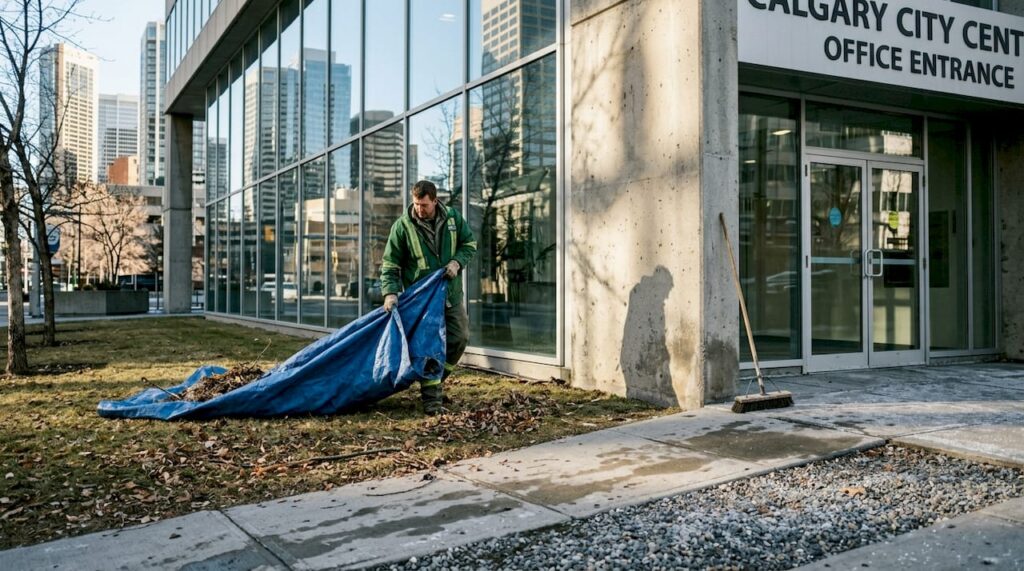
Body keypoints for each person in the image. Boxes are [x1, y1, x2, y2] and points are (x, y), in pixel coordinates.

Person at [380, 180, 477, 415]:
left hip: (450, 295)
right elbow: (390, 265)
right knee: (429, 347)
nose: (419, 210)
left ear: (435, 200)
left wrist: (456, 262)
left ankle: (435, 380)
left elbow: (469, 244)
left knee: (459, 338)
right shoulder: (403, 227)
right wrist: (390, 293)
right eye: (416, 204)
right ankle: (432, 401)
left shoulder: (453, 219)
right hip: (421, 301)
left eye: (424, 205)